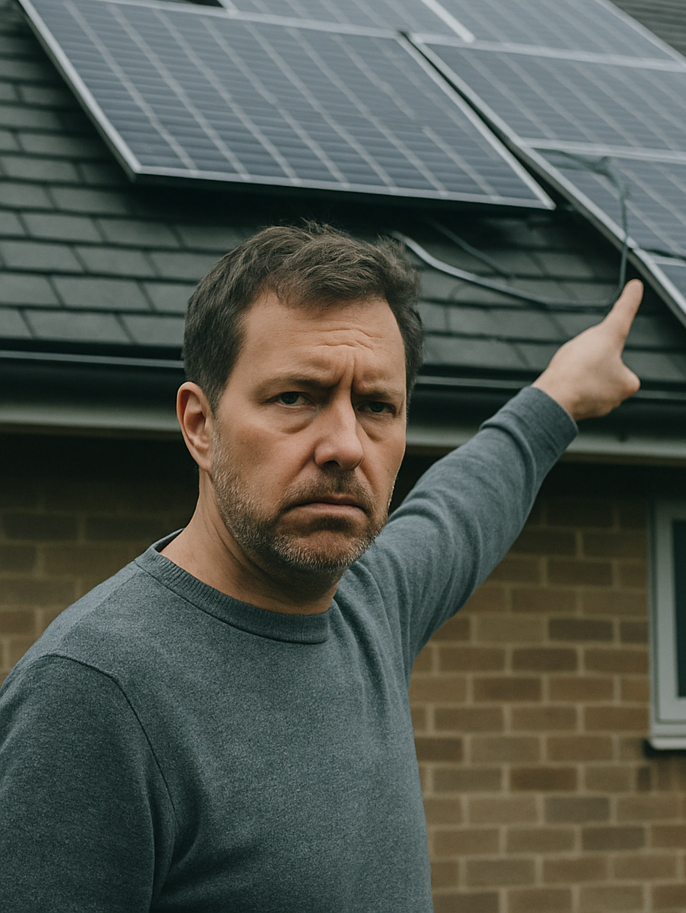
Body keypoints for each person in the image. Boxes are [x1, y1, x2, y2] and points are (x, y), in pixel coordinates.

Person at [0, 223, 643, 912]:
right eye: (296, 397)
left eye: (376, 407)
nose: (346, 445)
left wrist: (562, 392)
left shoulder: (369, 609)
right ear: (200, 425)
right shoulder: (93, 692)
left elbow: (465, 505)